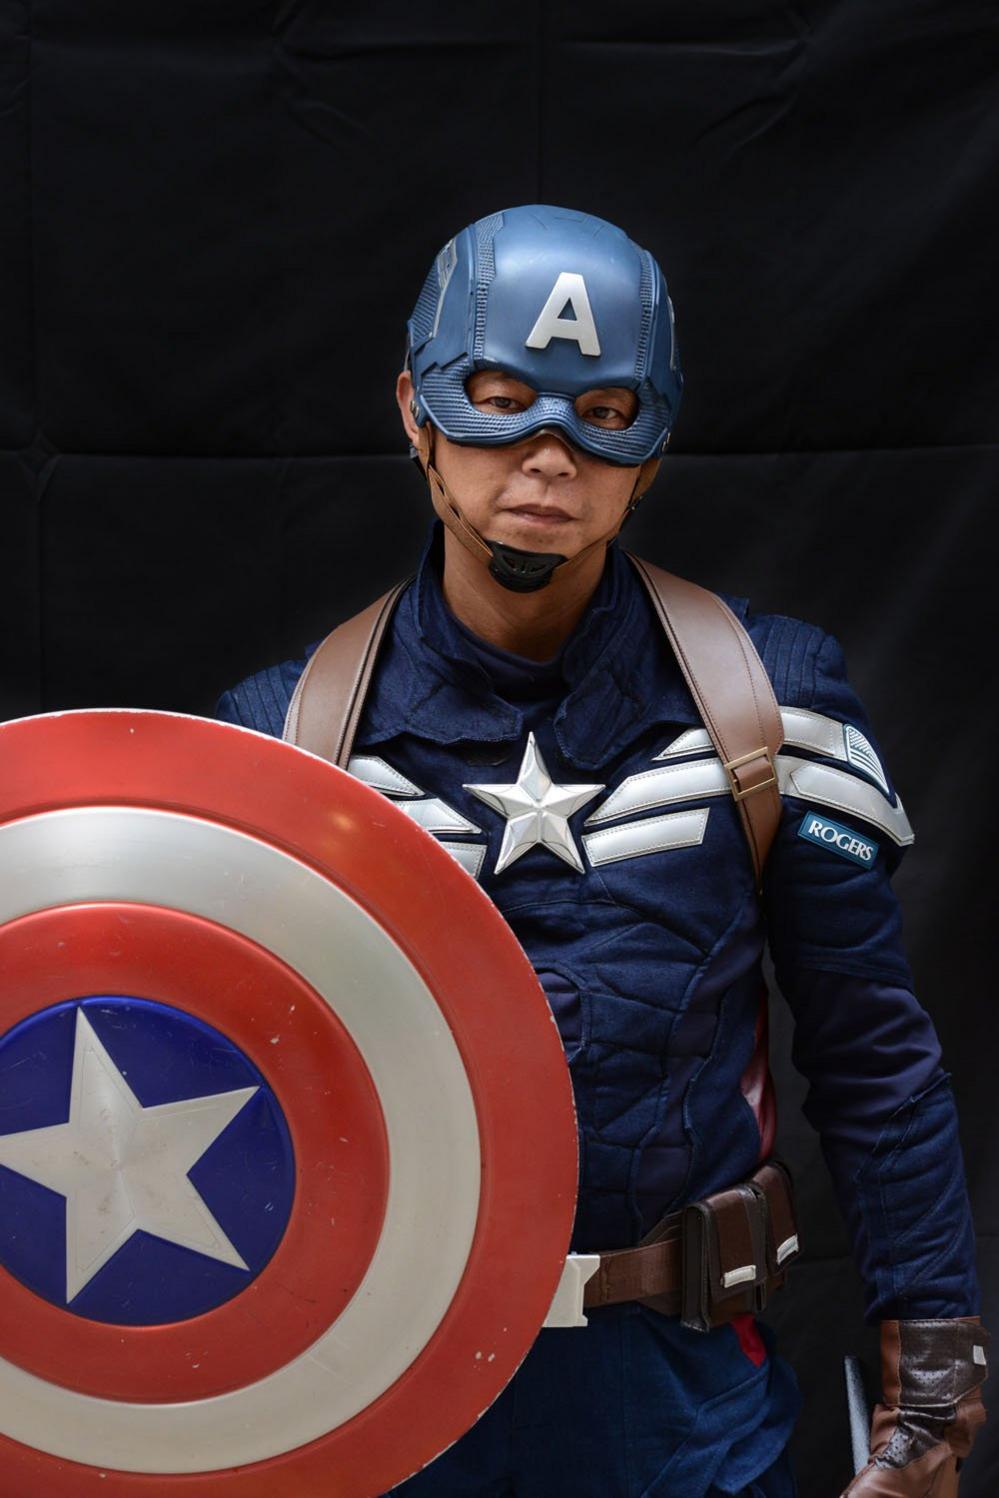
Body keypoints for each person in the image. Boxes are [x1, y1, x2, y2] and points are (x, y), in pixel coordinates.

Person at [216, 205, 987, 1497]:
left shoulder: (768, 707)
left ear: (656, 436)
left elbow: (870, 1050)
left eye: (603, 411)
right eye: (504, 400)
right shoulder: (287, 741)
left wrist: (937, 1369)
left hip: (684, 1404)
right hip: (380, 1401)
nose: (548, 453)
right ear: (419, 408)